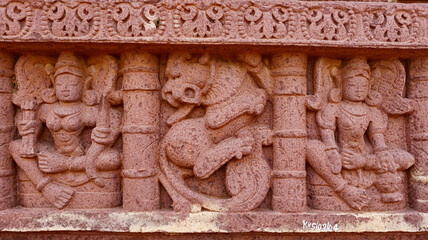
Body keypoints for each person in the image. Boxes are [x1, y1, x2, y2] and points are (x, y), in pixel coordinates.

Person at [10, 52, 122, 209]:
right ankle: (46, 187)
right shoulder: (46, 109)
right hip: (53, 153)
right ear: (53, 84)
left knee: (113, 158)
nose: (66, 89)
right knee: (15, 146)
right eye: (61, 84)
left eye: (72, 84)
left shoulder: (87, 110)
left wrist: (103, 134)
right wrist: (29, 129)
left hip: (81, 159)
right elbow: (26, 127)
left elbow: (113, 121)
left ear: (85, 84)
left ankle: (65, 167)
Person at [307, 58, 414, 210]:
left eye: (363, 86)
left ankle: (358, 183)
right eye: (352, 85)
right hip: (340, 155)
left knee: (407, 158)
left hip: (365, 156)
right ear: (341, 85)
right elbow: (329, 143)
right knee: (311, 147)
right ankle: (343, 189)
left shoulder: (372, 111)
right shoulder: (333, 109)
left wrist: (365, 161)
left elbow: (380, 146)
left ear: (369, 88)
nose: (358, 90)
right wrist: (335, 156)